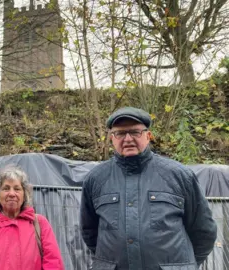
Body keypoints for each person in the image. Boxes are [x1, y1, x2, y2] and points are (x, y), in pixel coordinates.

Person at [80, 106, 217, 270]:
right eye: (120, 133)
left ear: (148, 135)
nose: (128, 139)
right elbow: (90, 232)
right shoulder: (96, 179)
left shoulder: (179, 176)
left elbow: (204, 231)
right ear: (112, 138)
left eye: (135, 132)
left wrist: (183, 266)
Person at [0, 166, 64, 270]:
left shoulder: (40, 223)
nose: (12, 194)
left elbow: (53, 263)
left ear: (24, 194)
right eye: (6, 188)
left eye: (17, 189)